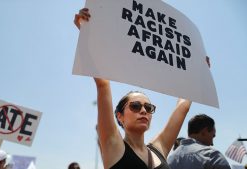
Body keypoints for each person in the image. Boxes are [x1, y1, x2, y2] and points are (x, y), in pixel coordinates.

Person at [74, 8, 192, 169]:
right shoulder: (113, 146)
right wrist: (85, 32)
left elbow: (183, 107)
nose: (144, 111)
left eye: (148, 108)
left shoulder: (159, 149)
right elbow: (103, 84)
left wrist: (196, 70)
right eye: (135, 106)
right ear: (120, 116)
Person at [167, 114, 232, 169]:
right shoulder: (212, 156)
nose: (212, 144)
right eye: (213, 136)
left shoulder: (169, 159)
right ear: (204, 132)